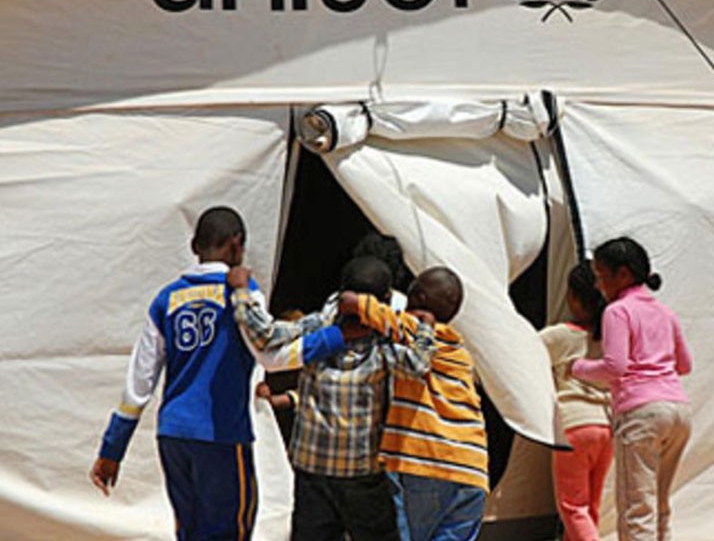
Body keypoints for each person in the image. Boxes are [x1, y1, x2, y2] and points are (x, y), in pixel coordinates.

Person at [89, 206, 345, 540]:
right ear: (237, 245)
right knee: (230, 530)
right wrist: (336, 337)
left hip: (174, 435)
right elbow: (271, 356)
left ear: (195, 246)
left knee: (190, 529)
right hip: (221, 434)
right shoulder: (240, 292)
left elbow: (139, 384)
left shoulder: (165, 299)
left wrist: (112, 449)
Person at [230, 255, 436, 541]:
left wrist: (241, 292)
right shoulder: (384, 345)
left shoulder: (318, 329)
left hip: (311, 468)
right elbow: (418, 364)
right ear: (386, 299)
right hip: (361, 470)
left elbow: (266, 335)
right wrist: (425, 326)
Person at [339, 266, 489, 541]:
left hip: (422, 463)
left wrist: (354, 302)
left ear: (417, 296)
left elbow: (354, 302)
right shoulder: (460, 353)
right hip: (472, 471)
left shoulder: (415, 327)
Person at [571, 237, 692, 541]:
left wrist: (578, 367)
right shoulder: (666, 312)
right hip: (678, 410)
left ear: (622, 274)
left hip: (641, 413)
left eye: (601, 275)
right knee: (660, 505)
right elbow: (685, 365)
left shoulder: (617, 311)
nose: (598, 285)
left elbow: (615, 366)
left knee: (636, 509)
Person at [540, 261, 613, 541]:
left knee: (572, 507)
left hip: (574, 427)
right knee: (590, 507)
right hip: (607, 428)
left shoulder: (559, 335)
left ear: (572, 297)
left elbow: (522, 353)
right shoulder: (611, 337)